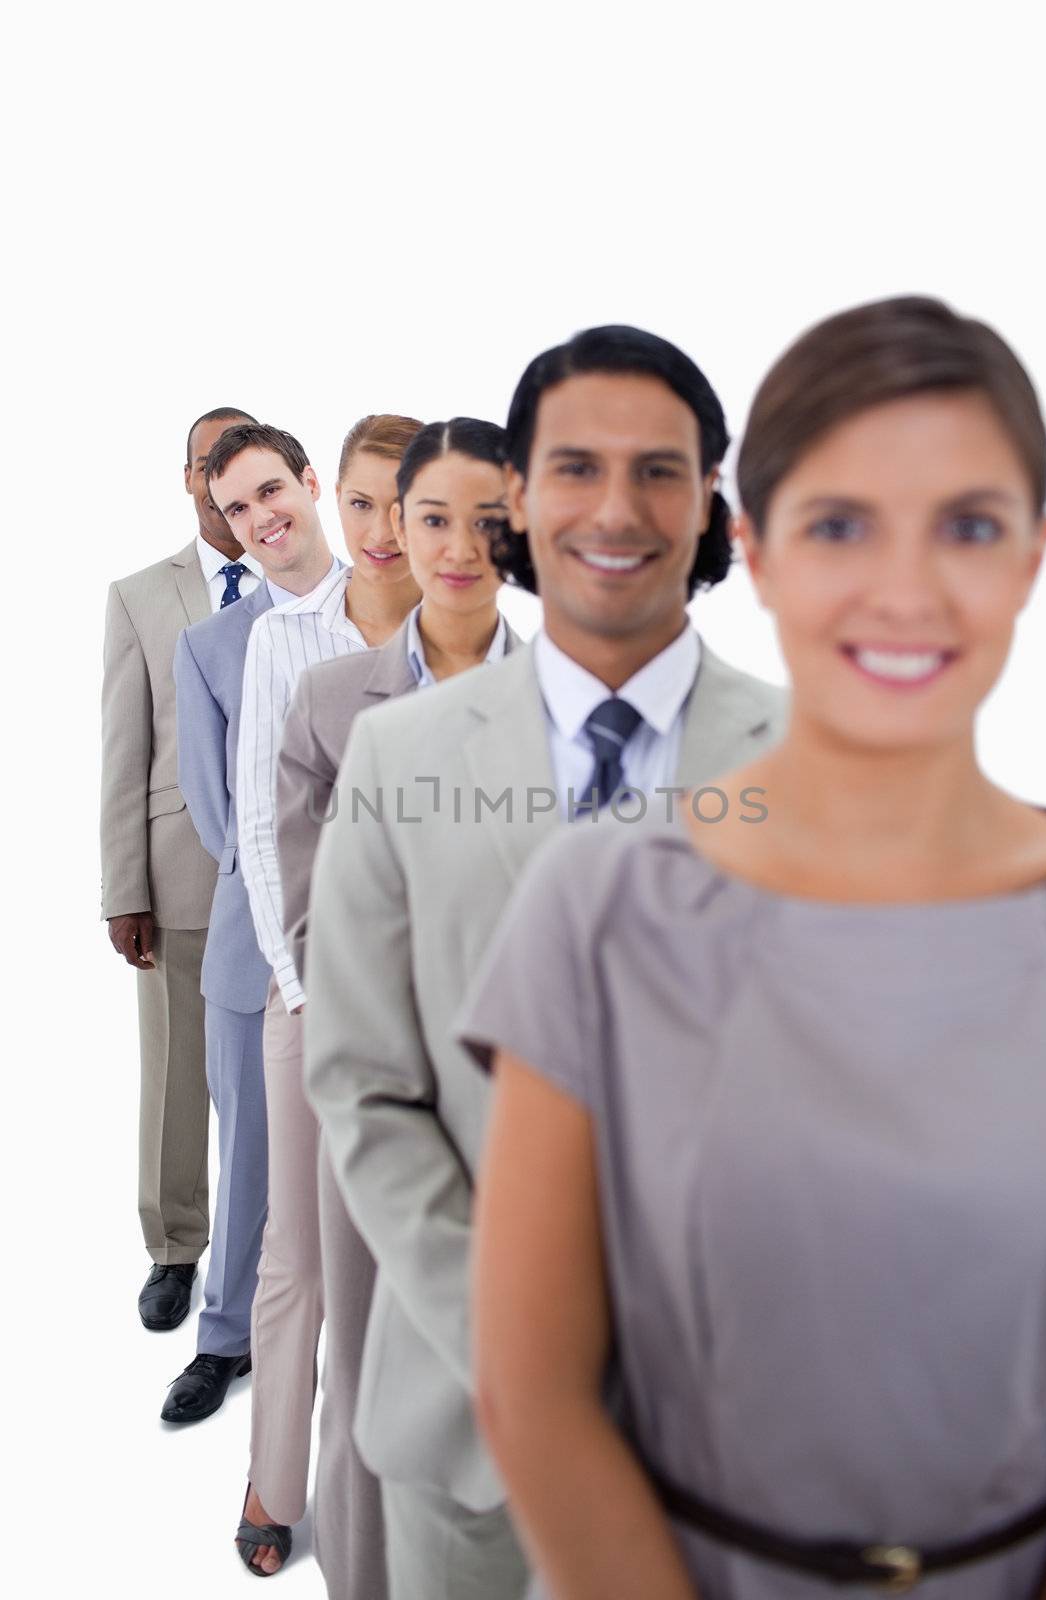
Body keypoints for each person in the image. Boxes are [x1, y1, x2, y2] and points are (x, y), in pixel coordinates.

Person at [460, 297, 1046, 1600]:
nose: (902, 589)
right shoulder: (600, 903)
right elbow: (531, 1390)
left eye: (965, 526)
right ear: (754, 548)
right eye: (839, 524)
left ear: (1030, 557)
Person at [303, 327, 786, 1600]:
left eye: (660, 471)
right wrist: (517, 1346)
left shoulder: (813, 763)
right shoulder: (399, 760)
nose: (616, 509)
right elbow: (364, 1081)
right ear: (516, 499)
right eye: (573, 467)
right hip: (471, 1436)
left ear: (711, 503)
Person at [249, 417, 522, 1592]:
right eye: (430, 517)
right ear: (393, 531)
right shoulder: (325, 699)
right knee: (362, 1356)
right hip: (380, 1083)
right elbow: (312, 912)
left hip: (529, 1085)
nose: (457, 546)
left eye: (487, 521)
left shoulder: (576, 696)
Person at [233, 411, 423, 1578]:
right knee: (299, 1256)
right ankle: (273, 1477)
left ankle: (398, 1484)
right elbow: (263, 823)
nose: (381, 526)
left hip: (438, 999)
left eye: (405, 502)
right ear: (334, 503)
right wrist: (304, 985)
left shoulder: (474, 640)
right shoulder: (285, 644)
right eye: (360, 501)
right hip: (311, 989)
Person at [165, 422, 334, 1430]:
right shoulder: (210, 646)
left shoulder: (393, 608)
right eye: (237, 508)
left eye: (274, 491)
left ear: (310, 484)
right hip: (253, 940)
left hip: (389, 931)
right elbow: (215, 806)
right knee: (252, 1154)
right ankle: (223, 1337)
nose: (263, 517)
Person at [101, 404, 257, 1332]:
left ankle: (266, 1241)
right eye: (208, 466)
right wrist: (125, 889)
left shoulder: (304, 581)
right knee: (177, 1072)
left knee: (273, 1072)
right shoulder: (140, 595)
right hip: (179, 868)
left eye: (241, 467)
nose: (222, 483)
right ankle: (174, 1247)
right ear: (190, 478)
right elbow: (123, 751)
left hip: (293, 866)